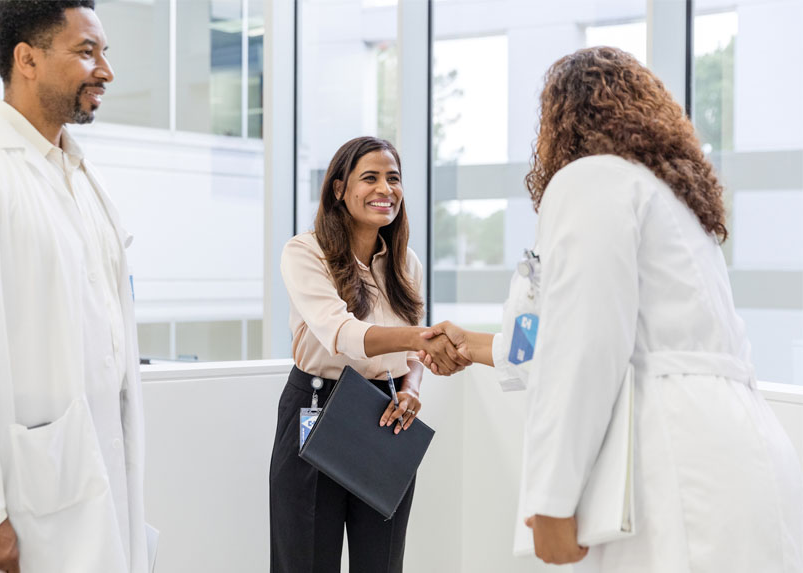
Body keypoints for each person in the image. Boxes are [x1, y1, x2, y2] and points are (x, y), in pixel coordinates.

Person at [420, 46, 803, 572]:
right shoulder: (672, 200)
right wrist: (477, 344)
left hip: (674, 463)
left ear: (560, 121)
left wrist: (551, 499)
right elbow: (562, 336)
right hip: (742, 457)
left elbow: (586, 340)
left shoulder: (591, 179)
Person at [0, 1, 150, 572]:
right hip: (23, 496)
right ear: (26, 60)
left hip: (95, 478)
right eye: (87, 52)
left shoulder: (81, 175)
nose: (105, 69)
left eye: (104, 52)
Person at [270, 136, 469, 572]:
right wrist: (421, 337)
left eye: (393, 179)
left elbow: (412, 353)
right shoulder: (305, 252)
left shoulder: (405, 263)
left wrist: (413, 386)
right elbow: (341, 333)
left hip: (386, 414)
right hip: (316, 409)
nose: (386, 189)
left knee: (381, 561)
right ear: (339, 189)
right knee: (305, 558)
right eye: (371, 178)